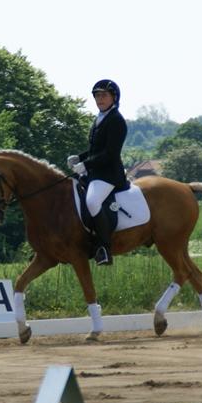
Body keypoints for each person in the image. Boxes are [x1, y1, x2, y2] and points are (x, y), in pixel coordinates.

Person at [68, 79, 128, 265]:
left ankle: (104, 248)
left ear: (114, 98)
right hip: (95, 172)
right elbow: (95, 150)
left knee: (92, 201)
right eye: (97, 95)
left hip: (109, 174)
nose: (100, 99)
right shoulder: (99, 118)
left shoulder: (116, 120)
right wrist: (79, 157)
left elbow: (110, 153)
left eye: (104, 95)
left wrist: (85, 165)